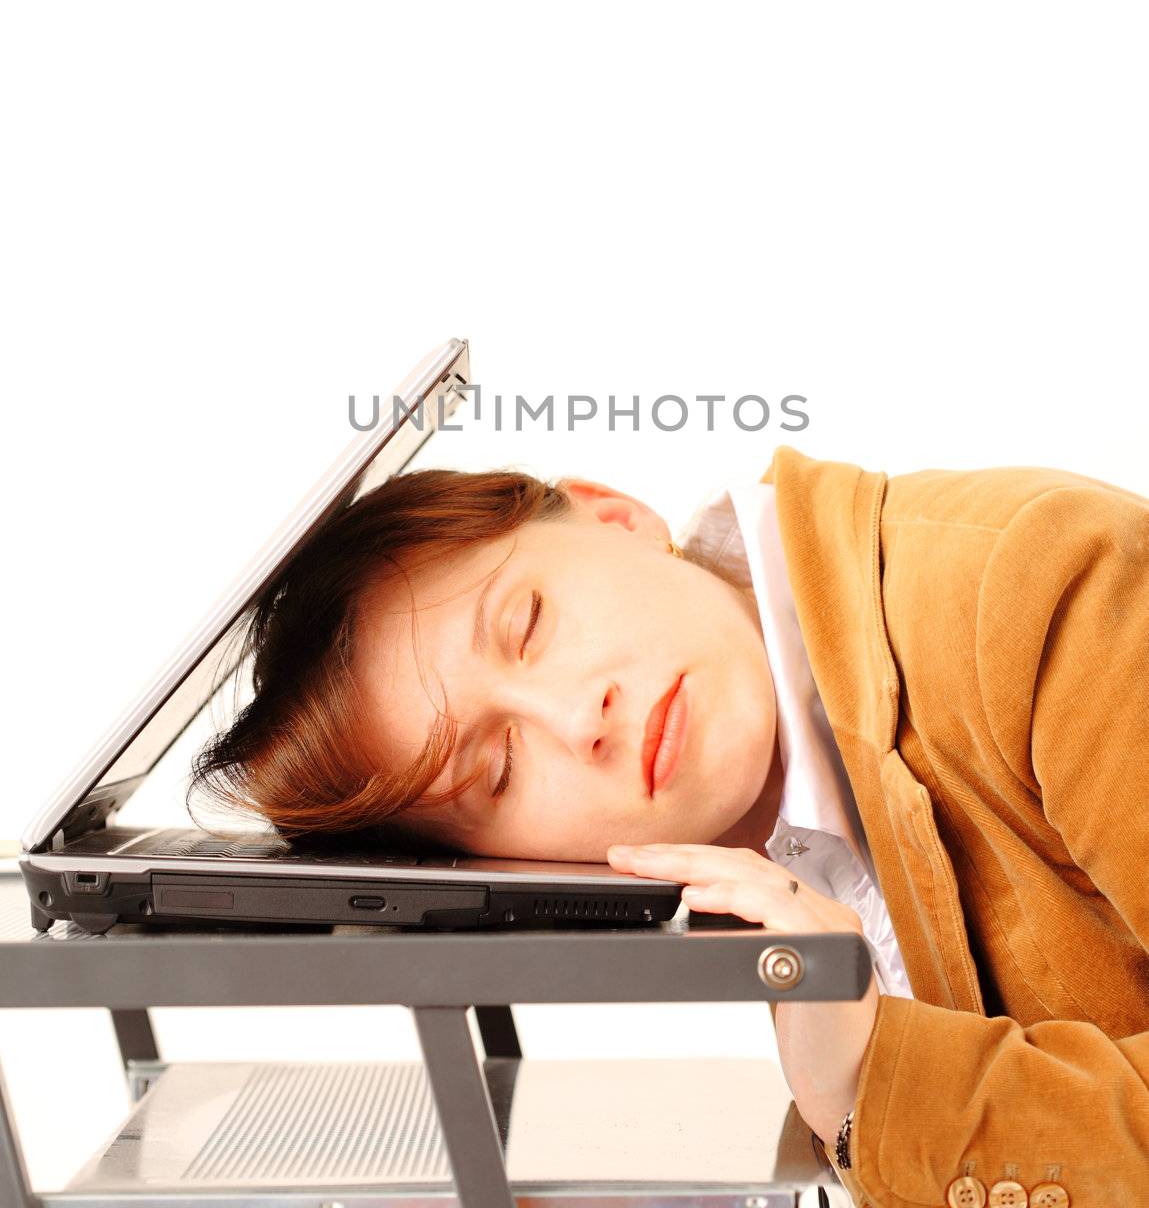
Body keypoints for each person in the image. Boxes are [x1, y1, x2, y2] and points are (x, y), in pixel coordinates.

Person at [190, 444, 1149, 1207]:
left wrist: (874, 1090)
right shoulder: (756, 857)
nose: (578, 718)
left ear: (617, 518)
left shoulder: (1039, 588)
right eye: (498, 769)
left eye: (529, 624)